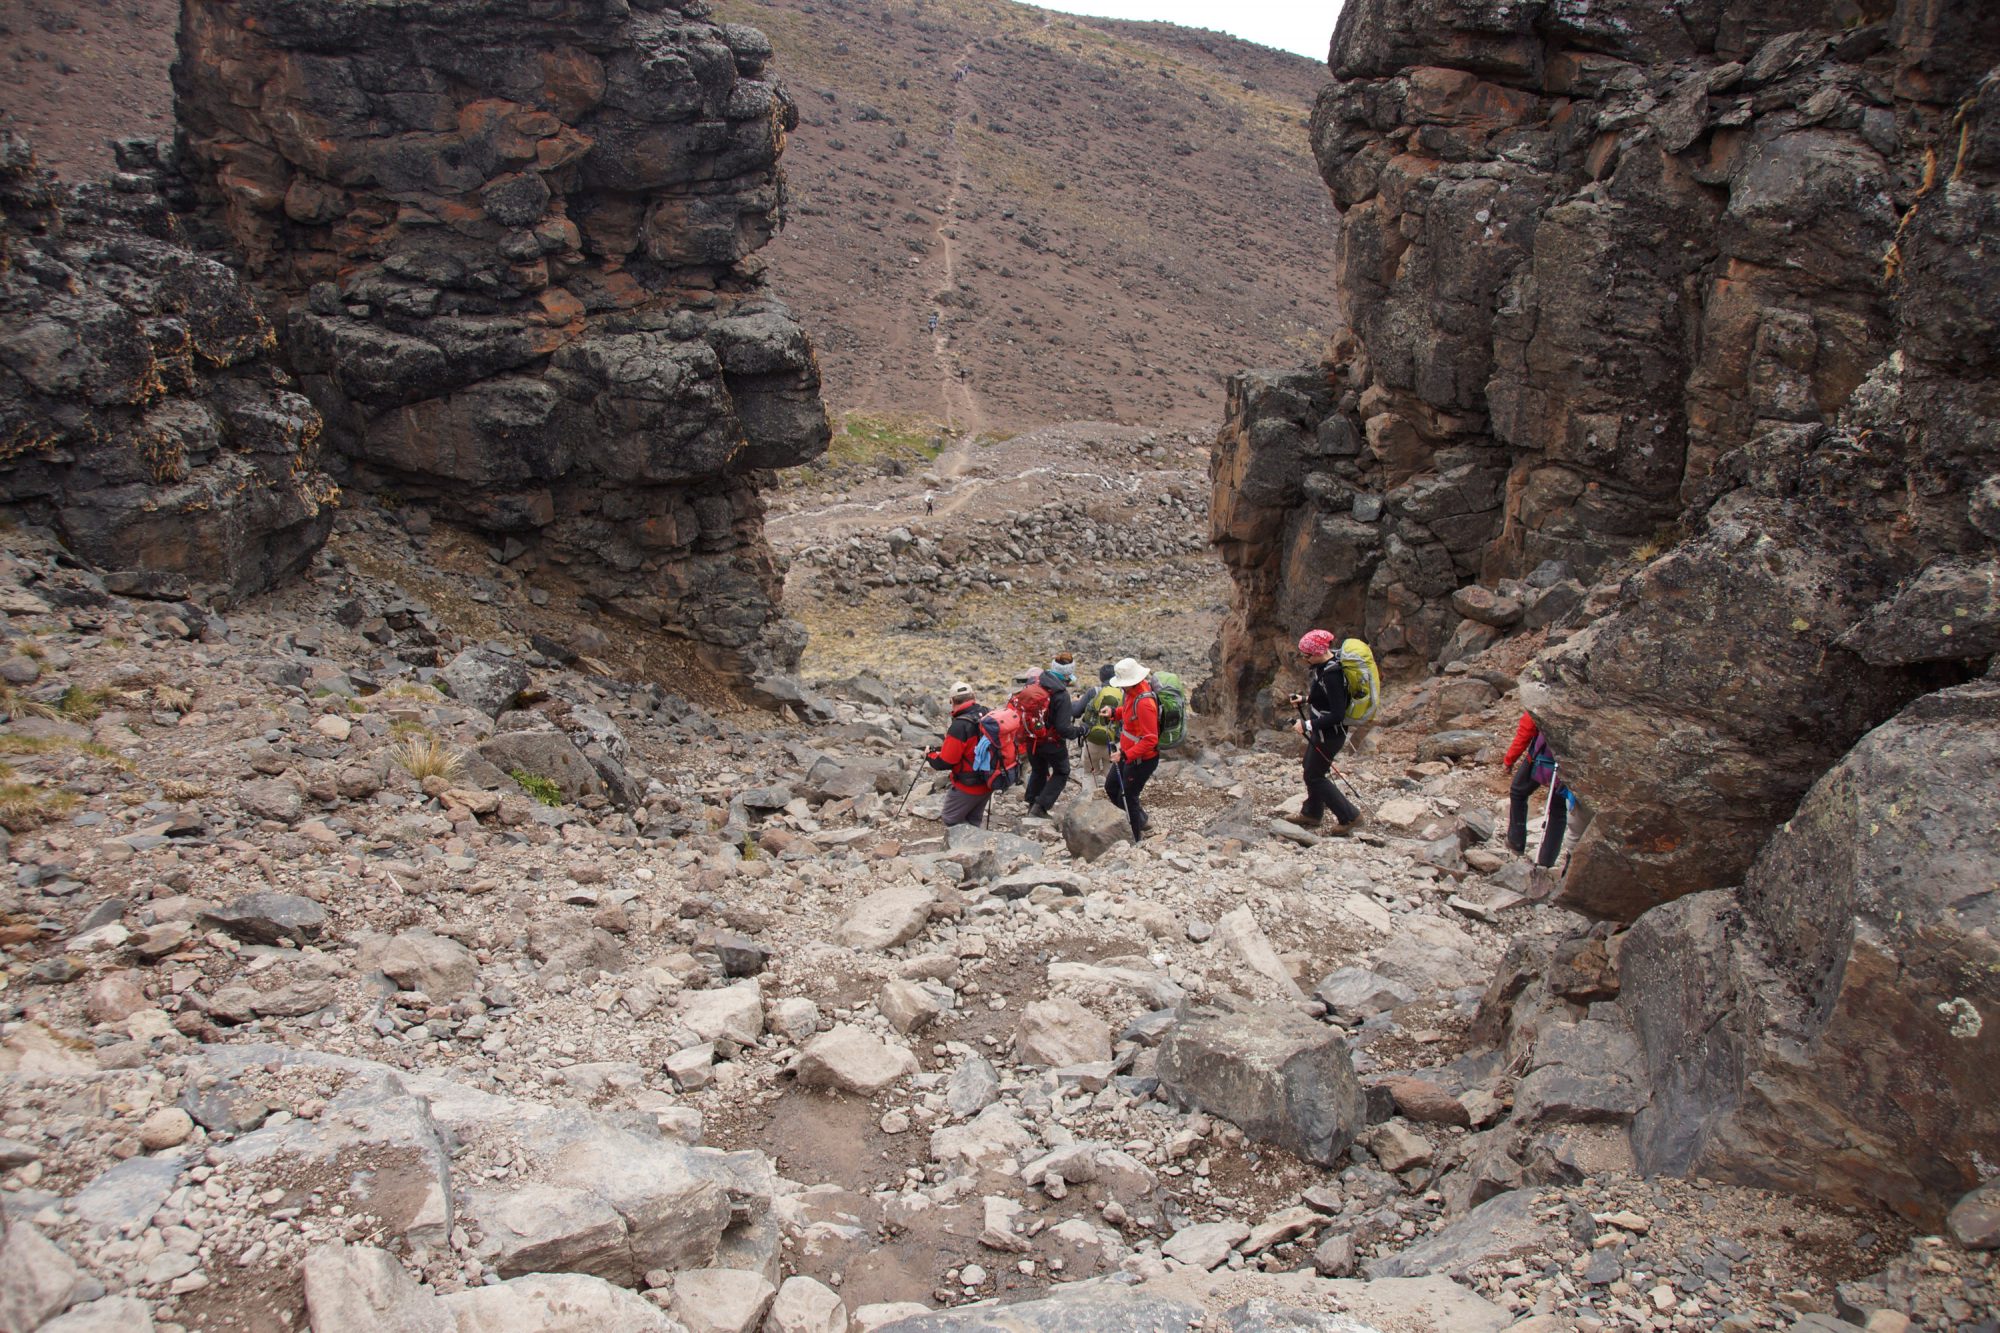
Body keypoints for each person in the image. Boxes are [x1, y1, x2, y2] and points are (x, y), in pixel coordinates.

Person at [1284, 629, 1364, 832]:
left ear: (1318, 652)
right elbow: (1327, 697)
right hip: (1325, 733)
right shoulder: (1328, 665)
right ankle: (1312, 813)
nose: (1305, 659)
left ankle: (1350, 817)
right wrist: (1306, 699)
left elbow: (1337, 714)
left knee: (1315, 776)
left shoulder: (1332, 675)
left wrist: (1307, 725)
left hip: (1330, 735)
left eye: (1307, 655)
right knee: (1310, 768)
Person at [1501, 711, 1569, 870]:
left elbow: (1526, 730)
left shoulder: (1544, 702)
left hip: (1539, 758)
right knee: (1558, 811)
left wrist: (1509, 760)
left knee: (1518, 791)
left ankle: (1516, 841)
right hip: (1568, 765)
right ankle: (1546, 861)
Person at [1101, 657, 1158, 841]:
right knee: (1111, 787)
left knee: (1128, 796)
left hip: (1141, 759)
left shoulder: (1145, 703)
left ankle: (1134, 837)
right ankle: (1139, 822)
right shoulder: (1132, 693)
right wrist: (1114, 712)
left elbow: (1151, 739)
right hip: (1128, 754)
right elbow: (1129, 714)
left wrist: (1126, 755)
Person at [1021, 652, 1082, 818]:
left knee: (1039, 770)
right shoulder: (1061, 694)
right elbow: (1064, 728)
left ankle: (1032, 803)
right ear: (1068, 673)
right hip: (1052, 742)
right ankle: (1040, 807)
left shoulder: (1037, 682)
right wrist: (1080, 731)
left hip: (1031, 737)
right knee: (1062, 771)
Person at [926, 681, 993, 828]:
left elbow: (945, 762)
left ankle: (963, 841)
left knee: (950, 819)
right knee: (974, 819)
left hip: (968, 785)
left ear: (952, 701)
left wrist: (930, 755)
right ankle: (975, 840)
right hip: (990, 779)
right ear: (973, 696)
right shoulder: (987, 713)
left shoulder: (959, 726)